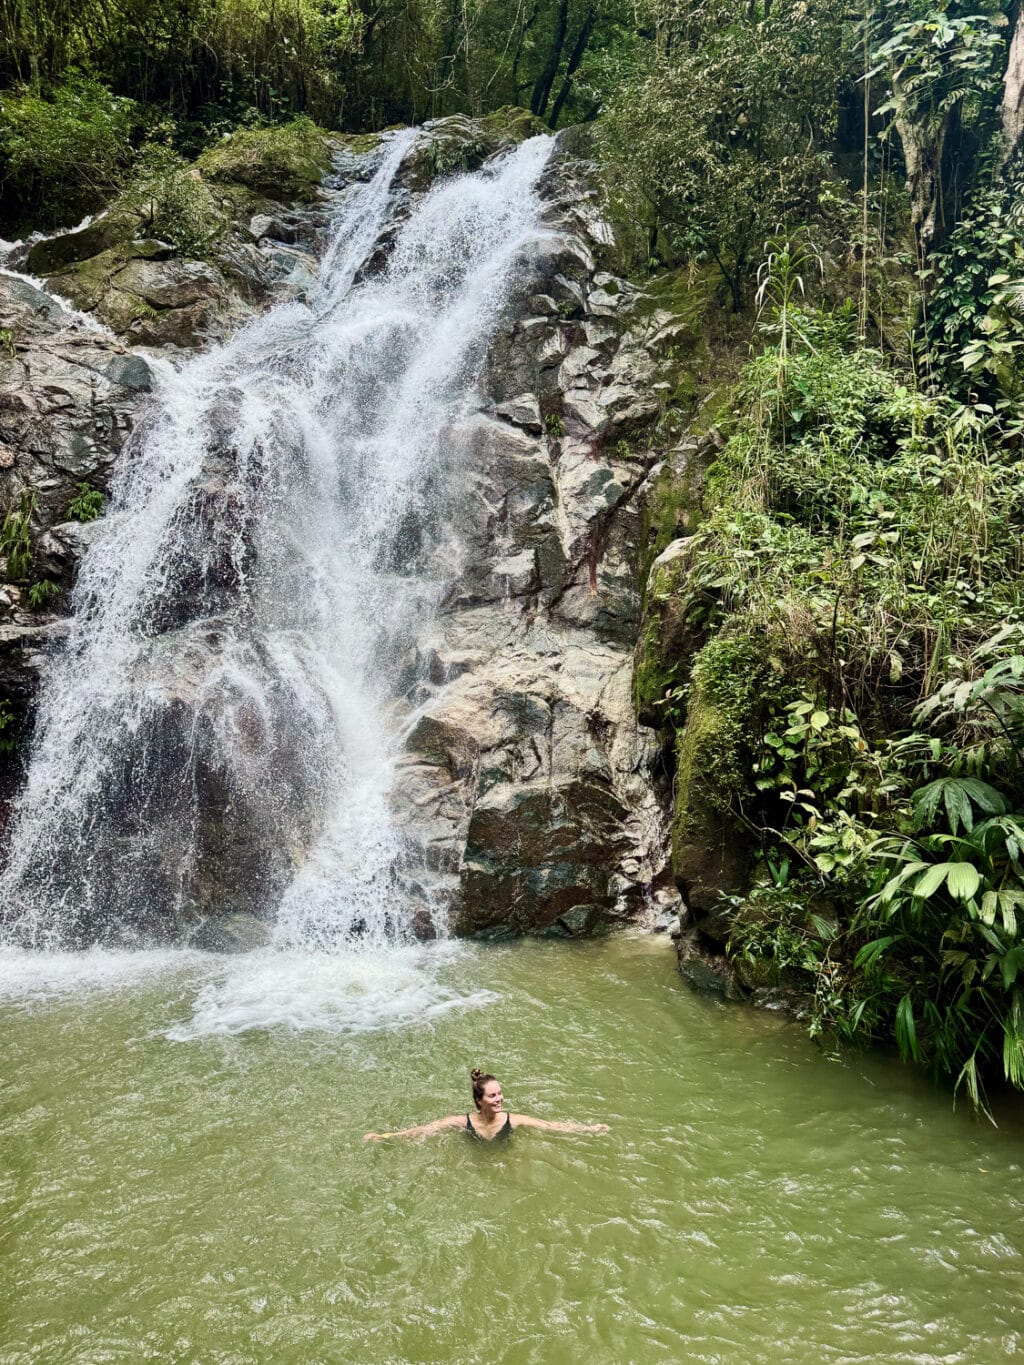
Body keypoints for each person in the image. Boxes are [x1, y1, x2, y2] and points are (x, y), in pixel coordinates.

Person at [363, 1069, 609, 1142]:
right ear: (479, 1101)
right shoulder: (463, 1122)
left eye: (500, 1093)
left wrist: (589, 1129)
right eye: (492, 1096)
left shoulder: (512, 1120)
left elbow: (552, 1126)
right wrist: (385, 1136)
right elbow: (423, 1130)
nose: (499, 1099)